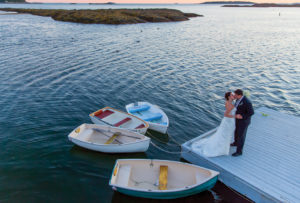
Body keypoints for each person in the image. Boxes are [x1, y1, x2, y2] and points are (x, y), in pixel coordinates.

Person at [191, 92, 236, 157]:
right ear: (229, 97)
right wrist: (236, 116)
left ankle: (223, 148)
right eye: (232, 95)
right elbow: (226, 114)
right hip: (228, 121)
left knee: (225, 134)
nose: (233, 96)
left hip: (228, 121)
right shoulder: (229, 104)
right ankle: (220, 148)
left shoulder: (229, 102)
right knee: (225, 134)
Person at [231, 89, 254, 157]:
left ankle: (239, 152)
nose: (234, 96)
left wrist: (242, 116)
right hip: (237, 120)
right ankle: (235, 143)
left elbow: (251, 112)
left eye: (235, 95)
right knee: (236, 132)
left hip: (244, 122)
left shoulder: (247, 102)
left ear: (239, 95)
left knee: (241, 136)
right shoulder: (238, 99)